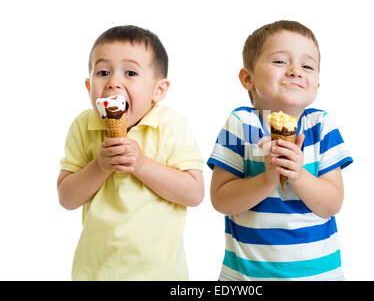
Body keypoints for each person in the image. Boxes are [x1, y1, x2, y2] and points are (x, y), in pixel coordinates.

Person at [207, 20, 353, 280]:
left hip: (318, 274)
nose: (296, 71)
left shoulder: (319, 126)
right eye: (280, 62)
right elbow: (221, 200)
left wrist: (298, 175)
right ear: (248, 78)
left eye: (307, 66)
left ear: (317, 84)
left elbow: (332, 204)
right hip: (246, 277)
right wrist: (267, 179)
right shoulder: (243, 124)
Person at [57, 25, 204, 280]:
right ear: (88, 85)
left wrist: (142, 165)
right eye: (103, 72)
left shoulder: (170, 125)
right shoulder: (83, 126)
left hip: (160, 273)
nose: (114, 82)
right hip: (95, 271)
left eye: (130, 72)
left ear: (158, 90)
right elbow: (66, 198)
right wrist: (99, 167)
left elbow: (194, 193)